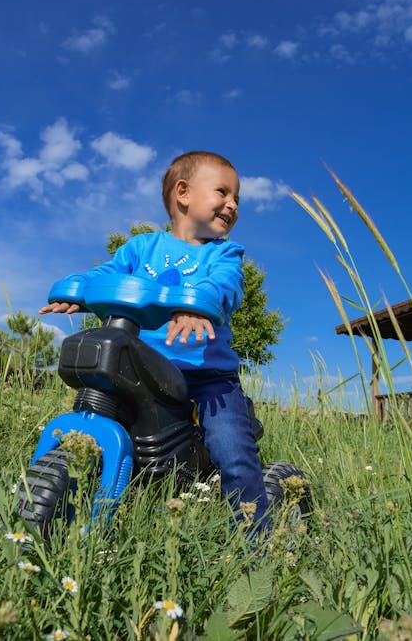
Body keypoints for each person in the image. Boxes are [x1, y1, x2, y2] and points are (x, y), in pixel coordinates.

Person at [39, 151, 271, 537]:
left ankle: (257, 541)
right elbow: (106, 273)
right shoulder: (140, 248)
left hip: (208, 379)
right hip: (145, 371)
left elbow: (225, 285)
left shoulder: (223, 253)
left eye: (237, 199)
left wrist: (199, 306)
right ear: (183, 193)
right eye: (223, 192)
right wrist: (80, 290)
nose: (232, 205)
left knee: (234, 453)